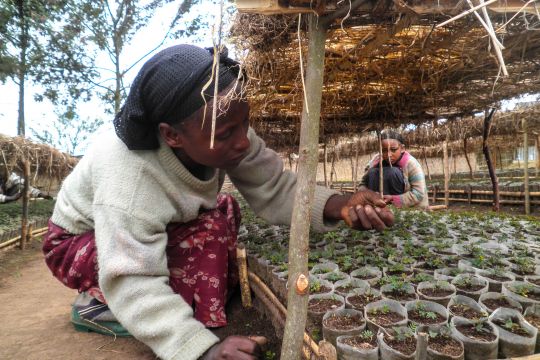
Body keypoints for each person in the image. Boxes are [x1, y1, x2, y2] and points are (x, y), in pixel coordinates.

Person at [42, 45, 394, 360]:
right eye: (227, 134)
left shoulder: (223, 125)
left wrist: (341, 204)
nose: (243, 142)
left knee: (224, 212)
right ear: (172, 135)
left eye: (246, 124)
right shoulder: (130, 176)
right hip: (81, 242)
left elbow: (272, 185)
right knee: (198, 249)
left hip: (143, 227)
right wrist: (200, 347)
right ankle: (101, 308)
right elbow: (132, 276)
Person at [359, 130, 428, 209]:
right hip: (376, 202)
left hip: (408, 207)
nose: (388, 155)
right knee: (372, 172)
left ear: (402, 148)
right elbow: (362, 184)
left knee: (392, 172)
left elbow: (418, 194)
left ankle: (392, 210)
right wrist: (369, 195)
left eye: (393, 150)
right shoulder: (375, 160)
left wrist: (393, 199)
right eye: (384, 151)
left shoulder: (411, 164)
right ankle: (375, 208)